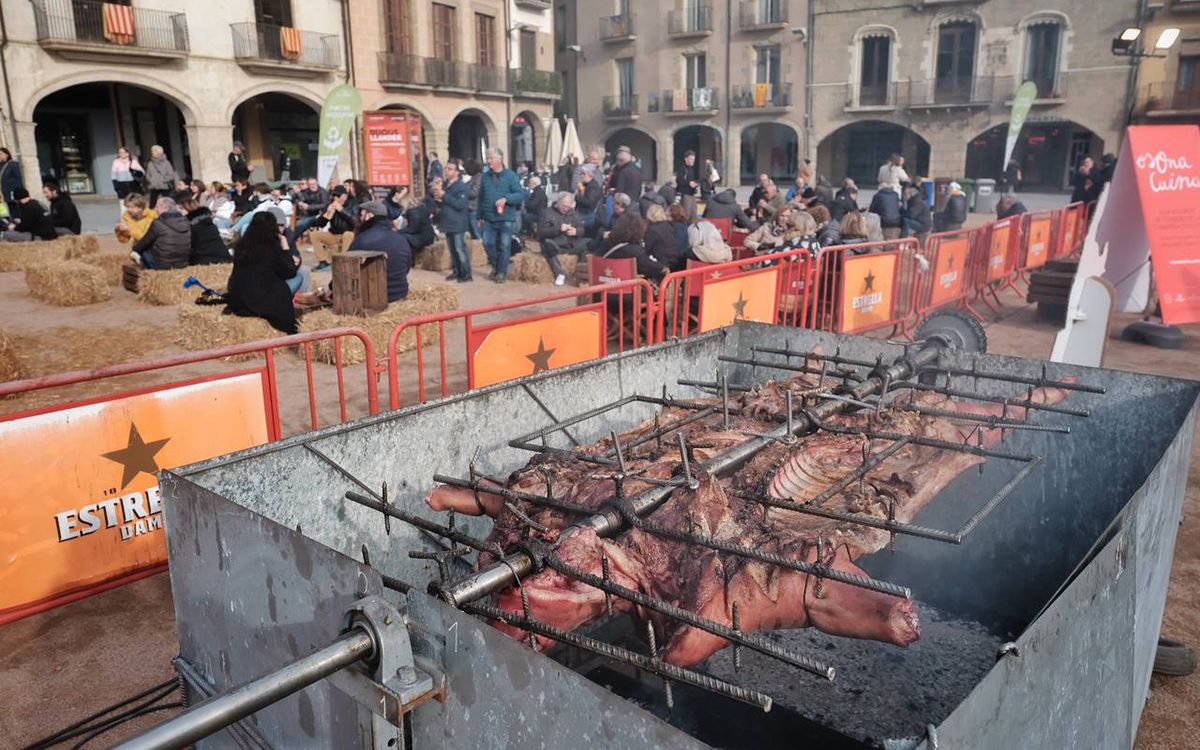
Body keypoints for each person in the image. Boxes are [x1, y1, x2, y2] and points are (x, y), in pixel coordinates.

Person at [224, 211, 299, 334]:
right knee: (299, 277)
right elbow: (290, 272)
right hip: (260, 301)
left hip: (239, 299)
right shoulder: (271, 246)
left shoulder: (242, 245)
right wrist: (286, 249)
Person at [478, 147, 525, 283]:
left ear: (500, 159)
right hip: (489, 218)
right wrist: (479, 216)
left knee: (504, 245)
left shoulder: (510, 176)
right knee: (488, 244)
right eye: (487, 158)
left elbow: (520, 195)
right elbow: (481, 197)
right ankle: (496, 266)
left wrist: (506, 199)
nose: (488, 161)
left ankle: (501, 273)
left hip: (506, 217)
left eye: (491, 158)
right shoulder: (485, 177)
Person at [350, 201, 412, 303]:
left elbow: (347, 271)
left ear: (369, 215)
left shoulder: (362, 240)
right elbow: (406, 268)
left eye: (361, 215)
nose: (360, 219)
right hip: (400, 295)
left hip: (373, 298)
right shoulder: (402, 239)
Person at [592, 213, 666, 283]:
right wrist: (664, 268)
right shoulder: (635, 251)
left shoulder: (606, 244)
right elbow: (652, 267)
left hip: (602, 291)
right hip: (626, 293)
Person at [537, 192, 586, 286]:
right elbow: (541, 232)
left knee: (585, 244)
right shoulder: (546, 213)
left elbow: (582, 229)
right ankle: (560, 273)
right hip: (555, 243)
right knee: (547, 245)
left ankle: (581, 276)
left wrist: (576, 231)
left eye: (568, 206)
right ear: (558, 203)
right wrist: (559, 229)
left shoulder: (573, 213)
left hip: (570, 243)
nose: (566, 209)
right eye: (564, 206)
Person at [435, 161, 472, 282]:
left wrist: (444, 195)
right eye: (446, 168)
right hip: (448, 221)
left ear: (456, 172)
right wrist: (439, 198)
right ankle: (457, 271)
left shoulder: (461, 186)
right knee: (452, 250)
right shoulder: (446, 184)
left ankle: (466, 274)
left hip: (458, 222)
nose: (446, 171)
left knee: (459, 248)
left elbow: (460, 205)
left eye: (450, 169)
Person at [133, 197, 191, 269]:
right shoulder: (185, 220)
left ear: (161, 207)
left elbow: (145, 242)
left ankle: (147, 272)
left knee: (143, 252)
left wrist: (134, 249)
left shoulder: (159, 223)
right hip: (182, 263)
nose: (155, 209)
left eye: (156, 207)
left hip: (162, 265)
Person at [179, 198, 231, 265]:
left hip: (206, 259)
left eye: (181, 209)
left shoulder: (191, 227)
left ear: (188, 209)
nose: (179, 211)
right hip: (223, 257)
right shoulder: (210, 223)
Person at [643, 203, 683, 272]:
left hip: (661, 262)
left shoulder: (652, 230)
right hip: (674, 260)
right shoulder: (669, 226)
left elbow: (647, 249)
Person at [397, 188, 435, 252]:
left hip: (422, 237)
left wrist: (398, 231)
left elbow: (412, 229)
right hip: (429, 235)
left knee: (401, 237)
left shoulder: (412, 212)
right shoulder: (421, 207)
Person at [575, 164, 603, 235]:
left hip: (588, 215)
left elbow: (589, 202)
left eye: (583, 174)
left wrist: (577, 197)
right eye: (580, 173)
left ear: (590, 174)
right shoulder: (585, 185)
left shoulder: (593, 186)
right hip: (583, 213)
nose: (581, 175)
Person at [0, 147, 25, 219]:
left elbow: (18, 178)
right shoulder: (1, 166)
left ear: (7, 154)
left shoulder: (12, 164)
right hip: (4, 192)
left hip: (13, 191)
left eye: (1, 154)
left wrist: (20, 192)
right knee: (8, 209)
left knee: (16, 208)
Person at [666, 204, 692, 270]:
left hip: (678, 261)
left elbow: (677, 246)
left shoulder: (678, 227)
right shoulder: (686, 225)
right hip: (683, 258)